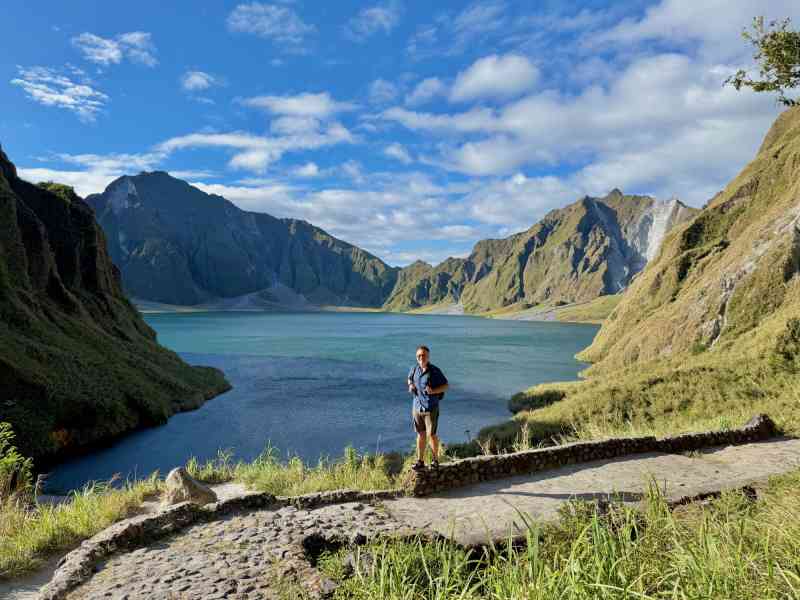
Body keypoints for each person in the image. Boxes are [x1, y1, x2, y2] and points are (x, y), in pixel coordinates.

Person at [407, 345, 449, 471]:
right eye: (419, 355)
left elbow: (446, 386)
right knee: (420, 435)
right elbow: (409, 379)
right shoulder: (414, 369)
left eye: (423, 355)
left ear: (428, 356)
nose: (421, 357)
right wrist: (410, 386)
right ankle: (420, 461)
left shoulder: (434, 371)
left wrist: (434, 390)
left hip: (431, 408)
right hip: (417, 407)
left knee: (432, 435)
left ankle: (435, 460)